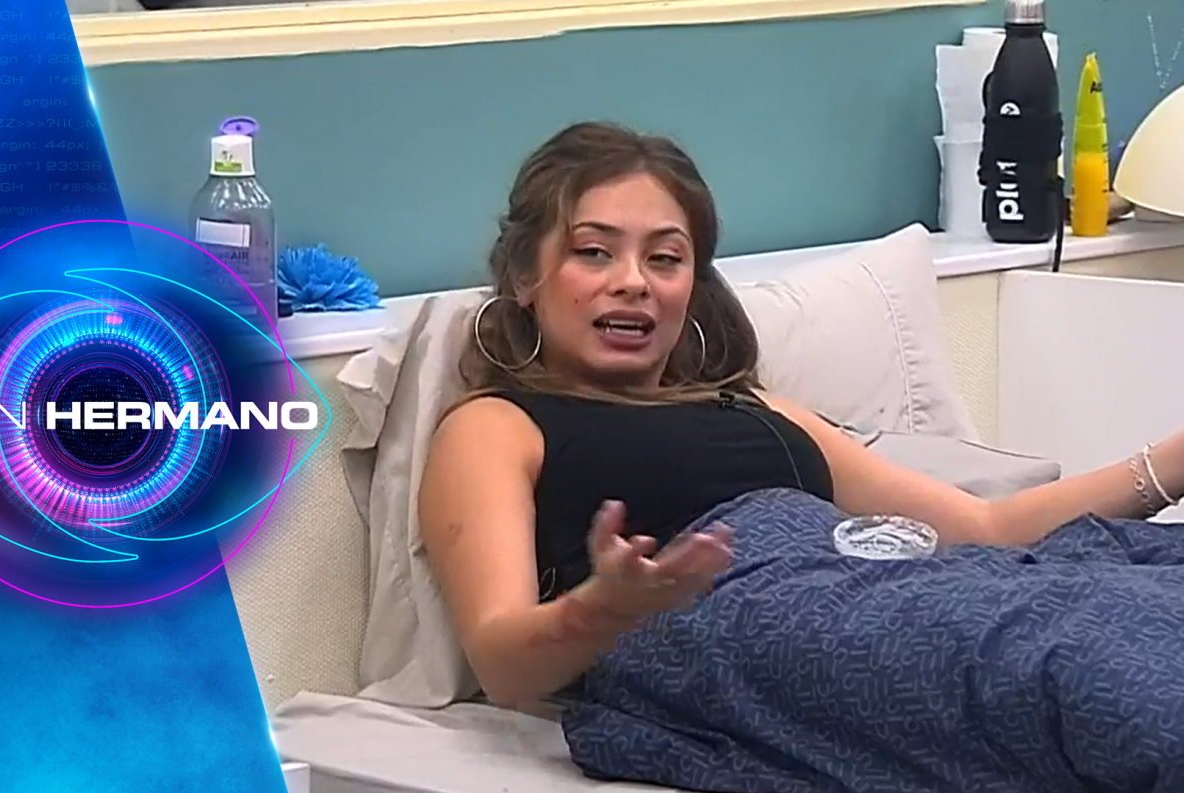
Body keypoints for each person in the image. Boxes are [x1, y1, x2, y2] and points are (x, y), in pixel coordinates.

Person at [416, 120, 1184, 710]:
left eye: (665, 257)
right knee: (1098, 665)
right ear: (525, 274)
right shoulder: (499, 424)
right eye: (594, 252)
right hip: (766, 633)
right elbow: (504, 664)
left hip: (898, 586)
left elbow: (985, 528)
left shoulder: (756, 409)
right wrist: (604, 607)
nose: (634, 281)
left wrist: (1172, 462)